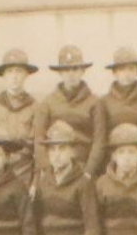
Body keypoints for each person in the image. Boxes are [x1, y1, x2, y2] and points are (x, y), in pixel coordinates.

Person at [39, 45, 108, 176]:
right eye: (66, 70)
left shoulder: (95, 103)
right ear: (60, 73)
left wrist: (89, 172)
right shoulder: (48, 102)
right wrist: (47, 169)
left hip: (84, 166)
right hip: (56, 167)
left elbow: (99, 141)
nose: (71, 74)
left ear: (82, 71)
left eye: (75, 69)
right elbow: (39, 139)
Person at [0, 49, 43, 177]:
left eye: (19, 71)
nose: (14, 76)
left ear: (26, 75)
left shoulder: (34, 106)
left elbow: (38, 145)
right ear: (4, 75)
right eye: (10, 71)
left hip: (24, 168)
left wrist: (36, 178)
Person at [101, 47, 137, 151]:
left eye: (131, 69)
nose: (127, 74)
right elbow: (102, 137)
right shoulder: (104, 102)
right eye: (122, 69)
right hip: (113, 155)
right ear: (115, 73)